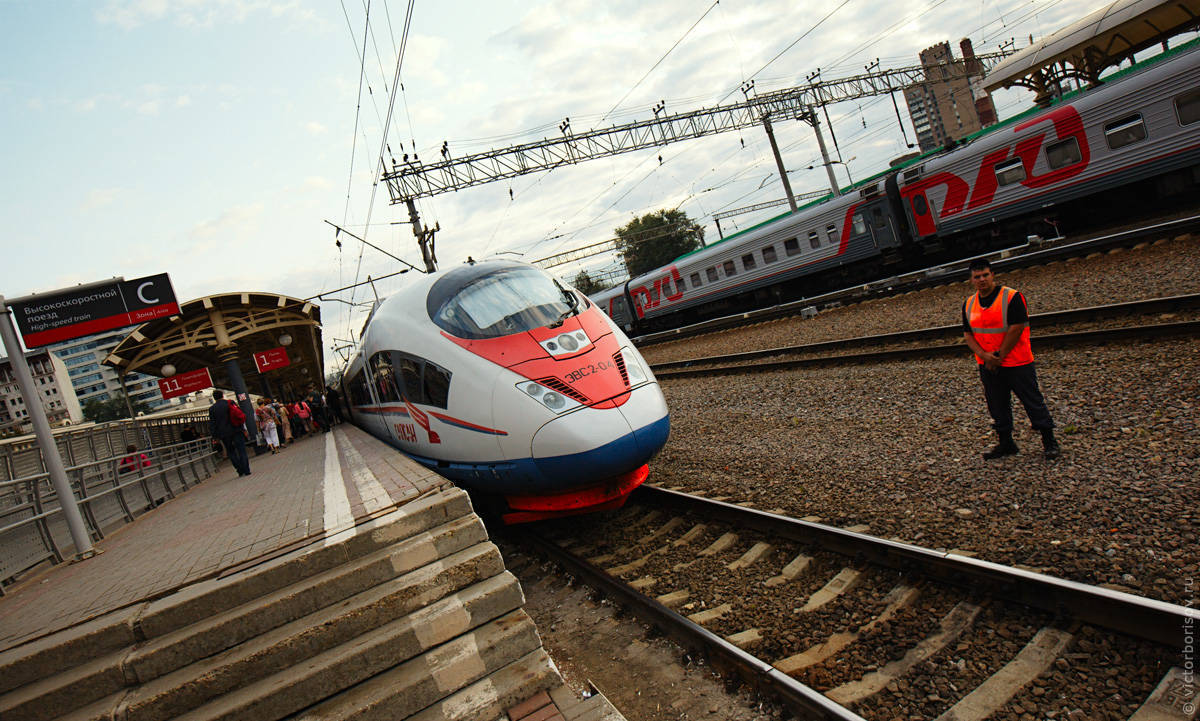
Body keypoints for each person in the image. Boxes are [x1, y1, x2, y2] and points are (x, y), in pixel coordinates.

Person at [962, 258, 1060, 460]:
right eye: (977, 277)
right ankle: (1006, 443)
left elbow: (1017, 328)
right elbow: (968, 334)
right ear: (971, 280)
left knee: (1032, 401)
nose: (982, 280)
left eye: (985, 275)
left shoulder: (1011, 297)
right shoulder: (969, 303)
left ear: (992, 275)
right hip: (988, 364)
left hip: (1016, 362)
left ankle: (1049, 441)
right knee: (997, 404)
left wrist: (999, 356)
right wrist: (985, 356)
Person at [209, 390, 251, 476]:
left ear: (214, 398)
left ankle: (239, 469)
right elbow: (238, 415)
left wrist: (215, 437)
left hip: (224, 434)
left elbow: (212, 424)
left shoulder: (212, 409)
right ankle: (246, 470)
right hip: (236, 430)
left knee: (231, 452)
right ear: (223, 395)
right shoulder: (230, 403)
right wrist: (243, 429)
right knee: (241, 450)